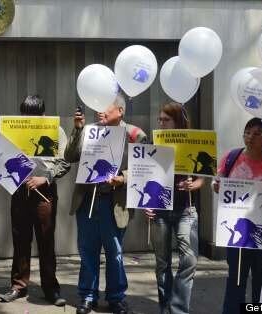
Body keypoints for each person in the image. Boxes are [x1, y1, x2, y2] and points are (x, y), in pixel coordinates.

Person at [65, 95, 147, 314]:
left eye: (106, 106)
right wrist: (78, 129)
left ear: (120, 111)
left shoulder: (135, 135)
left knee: (115, 252)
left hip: (115, 203)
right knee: (88, 251)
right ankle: (87, 297)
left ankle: (116, 298)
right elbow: (70, 155)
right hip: (87, 202)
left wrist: (123, 178)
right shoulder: (90, 130)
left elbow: (147, 166)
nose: (100, 110)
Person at [0, 95, 70, 306]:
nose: (27, 120)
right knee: (20, 239)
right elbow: (2, 158)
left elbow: (64, 163)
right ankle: (18, 286)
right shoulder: (13, 129)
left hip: (44, 193)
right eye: (24, 115)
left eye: (32, 116)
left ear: (43, 115)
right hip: (19, 192)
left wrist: (45, 178)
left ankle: (51, 289)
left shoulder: (56, 131)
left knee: (46, 241)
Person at [143, 102, 204, 314]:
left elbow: (201, 180)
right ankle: (165, 306)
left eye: (165, 120)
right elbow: (146, 176)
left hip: (186, 209)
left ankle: (177, 309)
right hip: (159, 210)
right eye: (159, 119)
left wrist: (192, 184)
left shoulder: (193, 142)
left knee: (188, 260)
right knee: (162, 263)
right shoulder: (154, 143)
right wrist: (147, 205)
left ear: (178, 121)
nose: (161, 123)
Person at [213, 118, 262, 314]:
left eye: (257, 134)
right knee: (236, 281)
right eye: (247, 132)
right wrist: (216, 186)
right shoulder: (232, 157)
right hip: (238, 234)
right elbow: (218, 182)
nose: (250, 137)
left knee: (261, 282)